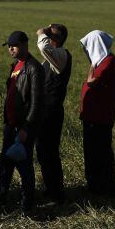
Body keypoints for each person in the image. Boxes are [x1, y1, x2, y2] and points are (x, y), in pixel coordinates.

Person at [0, 31, 44, 212]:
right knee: (5, 162)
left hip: (23, 126)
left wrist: (26, 127)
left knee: (23, 164)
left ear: (25, 45)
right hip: (10, 124)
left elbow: (36, 102)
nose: (10, 49)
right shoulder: (16, 65)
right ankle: (1, 197)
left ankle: (27, 203)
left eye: (14, 46)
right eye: (9, 46)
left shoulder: (33, 68)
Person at [80, 30, 115, 196]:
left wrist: (91, 67)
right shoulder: (104, 61)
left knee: (98, 153)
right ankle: (99, 186)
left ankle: (100, 188)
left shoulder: (107, 63)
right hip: (95, 116)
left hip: (99, 117)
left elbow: (92, 82)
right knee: (96, 152)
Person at [36, 24, 72, 203]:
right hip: (45, 111)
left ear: (55, 39)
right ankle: (50, 188)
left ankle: (56, 193)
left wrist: (42, 33)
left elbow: (43, 46)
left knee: (50, 153)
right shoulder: (54, 56)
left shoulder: (61, 55)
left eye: (51, 34)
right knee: (44, 152)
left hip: (52, 112)